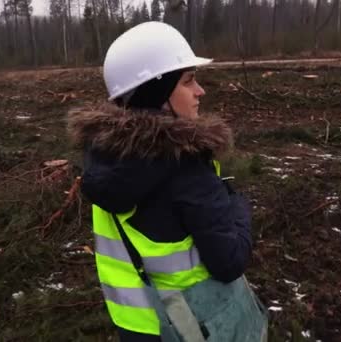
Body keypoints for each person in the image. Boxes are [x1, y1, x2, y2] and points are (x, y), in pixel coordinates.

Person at [68, 21, 267, 342]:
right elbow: (229, 262)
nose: (200, 91)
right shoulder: (186, 166)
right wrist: (239, 207)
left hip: (135, 322)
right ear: (157, 93)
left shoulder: (103, 155)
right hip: (194, 324)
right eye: (188, 81)